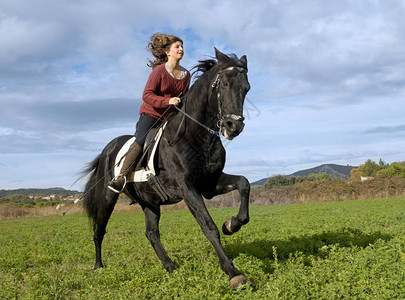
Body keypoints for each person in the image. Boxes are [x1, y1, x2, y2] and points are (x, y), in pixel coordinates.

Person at [108, 33, 191, 193]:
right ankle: (120, 177)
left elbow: (184, 98)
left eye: (182, 47)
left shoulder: (186, 75)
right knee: (140, 140)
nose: (181, 49)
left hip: (171, 118)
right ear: (168, 52)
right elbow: (146, 95)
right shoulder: (159, 71)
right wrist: (167, 101)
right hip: (151, 115)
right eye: (177, 47)